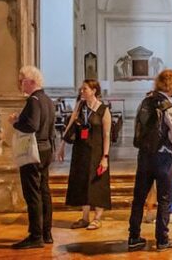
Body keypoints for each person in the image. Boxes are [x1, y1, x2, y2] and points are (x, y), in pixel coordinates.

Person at [128, 70, 172, 251]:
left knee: (139, 198)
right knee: (164, 199)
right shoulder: (170, 108)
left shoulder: (145, 102)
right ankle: (162, 239)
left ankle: (134, 237)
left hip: (144, 155)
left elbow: (138, 126)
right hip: (163, 157)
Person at [9, 66, 56, 249]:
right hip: (46, 150)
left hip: (33, 151)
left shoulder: (34, 100)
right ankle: (47, 233)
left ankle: (35, 236)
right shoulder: (48, 100)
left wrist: (15, 122)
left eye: (22, 80)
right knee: (44, 191)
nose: (21, 84)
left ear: (32, 81)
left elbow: (31, 126)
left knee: (33, 194)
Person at [57, 79, 111, 230]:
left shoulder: (103, 110)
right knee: (81, 182)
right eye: (81, 89)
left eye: (84, 89)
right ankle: (85, 217)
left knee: (97, 183)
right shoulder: (80, 107)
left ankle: (98, 218)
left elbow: (107, 135)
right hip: (81, 151)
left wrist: (105, 157)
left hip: (97, 151)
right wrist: (61, 145)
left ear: (94, 90)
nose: (81, 91)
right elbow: (70, 125)